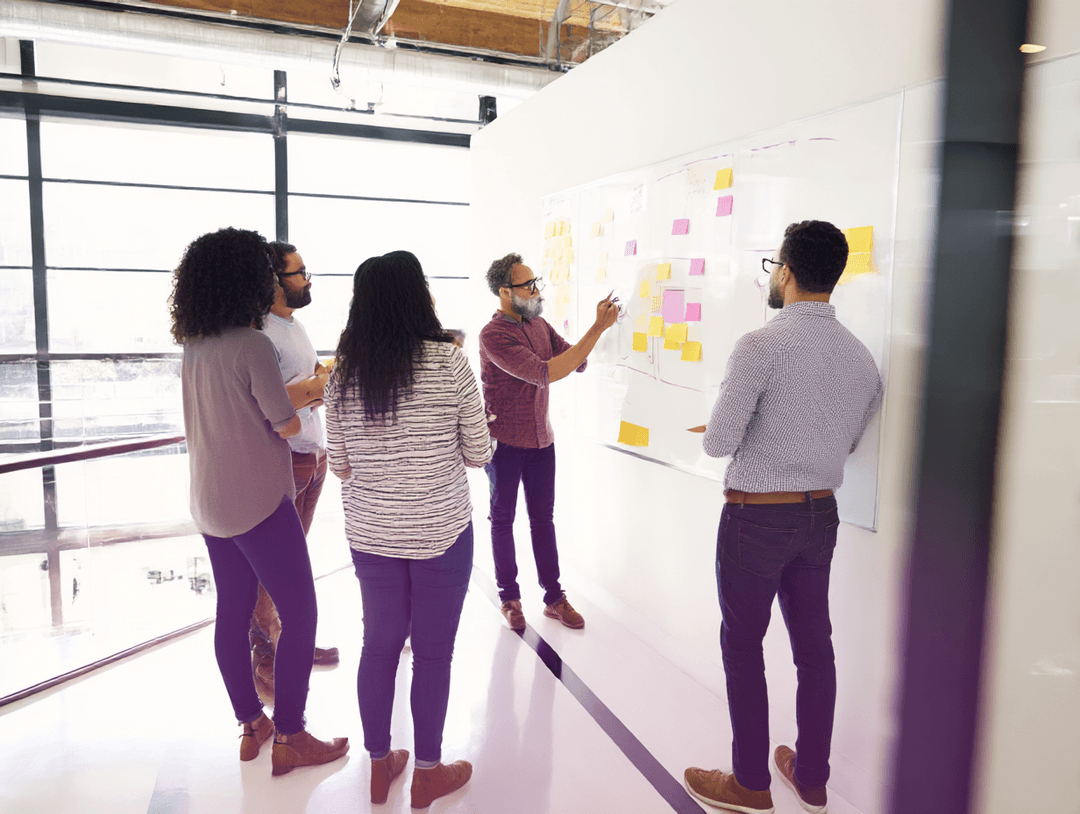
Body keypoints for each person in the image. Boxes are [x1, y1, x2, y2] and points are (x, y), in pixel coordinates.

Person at [683, 221, 884, 813]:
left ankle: (749, 783)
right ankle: (814, 777)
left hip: (755, 519)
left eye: (774, 266)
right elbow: (845, 443)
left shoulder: (760, 344)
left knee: (743, 646)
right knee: (814, 647)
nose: (772, 276)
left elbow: (719, 442)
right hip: (822, 515)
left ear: (787, 272)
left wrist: (738, 425)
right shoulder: (861, 359)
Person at [170, 227, 348, 776]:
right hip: (260, 501)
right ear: (246, 279)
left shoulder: (195, 345)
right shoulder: (252, 346)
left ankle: (252, 725)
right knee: (300, 612)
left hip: (210, 501)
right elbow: (287, 422)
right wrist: (310, 392)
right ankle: (291, 736)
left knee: (232, 611)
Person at [325, 250, 491, 808]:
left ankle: (379, 766)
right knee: (434, 654)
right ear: (419, 295)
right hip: (441, 533)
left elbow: (341, 465)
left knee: (378, 645)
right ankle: (426, 774)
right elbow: (477, 454)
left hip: (371, 535)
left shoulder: (343, 373)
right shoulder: (450, 364)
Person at [479, 253, 619, 631]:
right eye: (529, 284)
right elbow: (546, 373)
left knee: (543, 519)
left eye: (536, 281)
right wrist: (597, 328)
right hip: (504, 443)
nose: (537, 290)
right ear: (505, 291)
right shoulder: (493, 335)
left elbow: (575, 359)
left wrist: (591, 338)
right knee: (503, 520)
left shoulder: (538, 323)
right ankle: (509, 598)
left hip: (542, 440)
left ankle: (553, 598)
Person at [248, 241, 339, 701]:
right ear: (273, 280)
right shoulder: (260, 331)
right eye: (300, 272)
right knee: (277, 566)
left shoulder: (291, 324)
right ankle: (267, 656)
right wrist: (322, 383)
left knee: (295, 560)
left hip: (313, 452)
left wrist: (320, 377)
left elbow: (302, 382)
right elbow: (277, 400)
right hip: (289, 456)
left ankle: (290, 641)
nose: (307, 280)